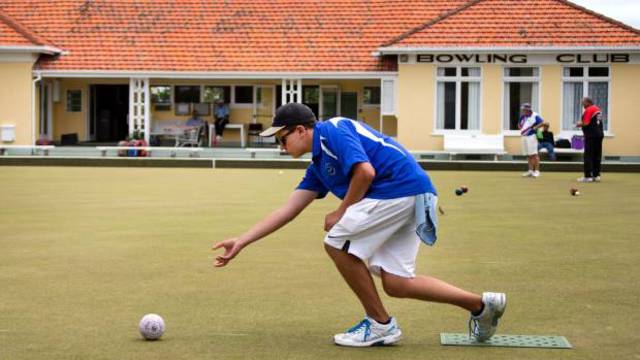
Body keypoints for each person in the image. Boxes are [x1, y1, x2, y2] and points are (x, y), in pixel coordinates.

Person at [212, 103, 506, 347]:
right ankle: (481, 305)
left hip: (397, 189)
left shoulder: (333, 129)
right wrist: (242, 241)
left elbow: (365, 172)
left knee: (336, 242)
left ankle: (380, 325)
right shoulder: (318, 166)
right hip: (412, 193)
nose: (280, 145)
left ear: (301, 130)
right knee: (397, 283)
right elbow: (288, 210)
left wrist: (341, 211)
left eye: (282, 138)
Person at [576, 97, 604, 183]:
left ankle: (587, 176)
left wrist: (578, 124)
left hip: (591, 136)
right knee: (597, 155)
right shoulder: (597, 109)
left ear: (588, 102)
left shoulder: (589, 110)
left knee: (588, 156)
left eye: (583, 103)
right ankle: (596, 175)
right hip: (599, 135)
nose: (582, 105)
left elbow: (586, 123)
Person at [518, 103, 544, 177]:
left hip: (531, 136)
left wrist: (535, 128)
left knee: (534, 154)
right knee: (528, 154)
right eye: (522, 109)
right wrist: (522, 129)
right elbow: (519, 124)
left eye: (524, 109)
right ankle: (530, 170)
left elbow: (542, 122)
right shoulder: (523, 116)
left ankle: (537, 171)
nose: (522, 110)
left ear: (528, 109)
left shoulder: (534, 115)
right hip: (524, 136)